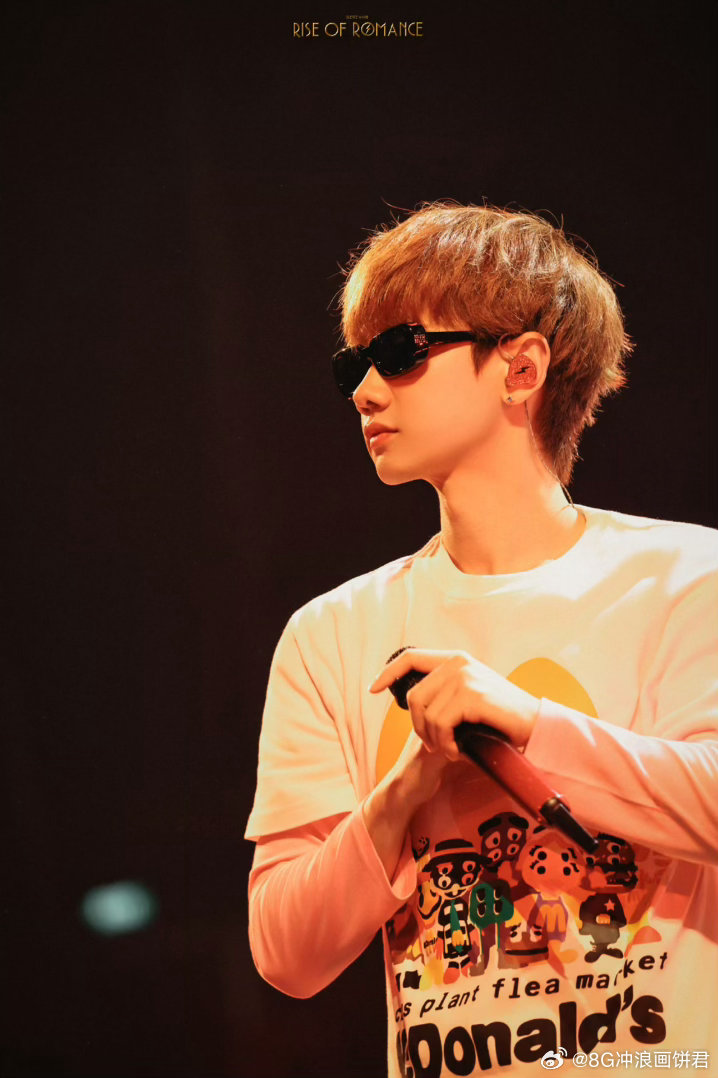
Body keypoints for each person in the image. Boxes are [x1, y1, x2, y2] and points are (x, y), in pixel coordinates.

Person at [245, 203, 718, 1077]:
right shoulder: (330, 635)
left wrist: (530, 723)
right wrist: (403, 790)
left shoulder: (690, 578)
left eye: (401, 353)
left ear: (521, 367)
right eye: (355, 364)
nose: (365, 390)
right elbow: (286, 951)